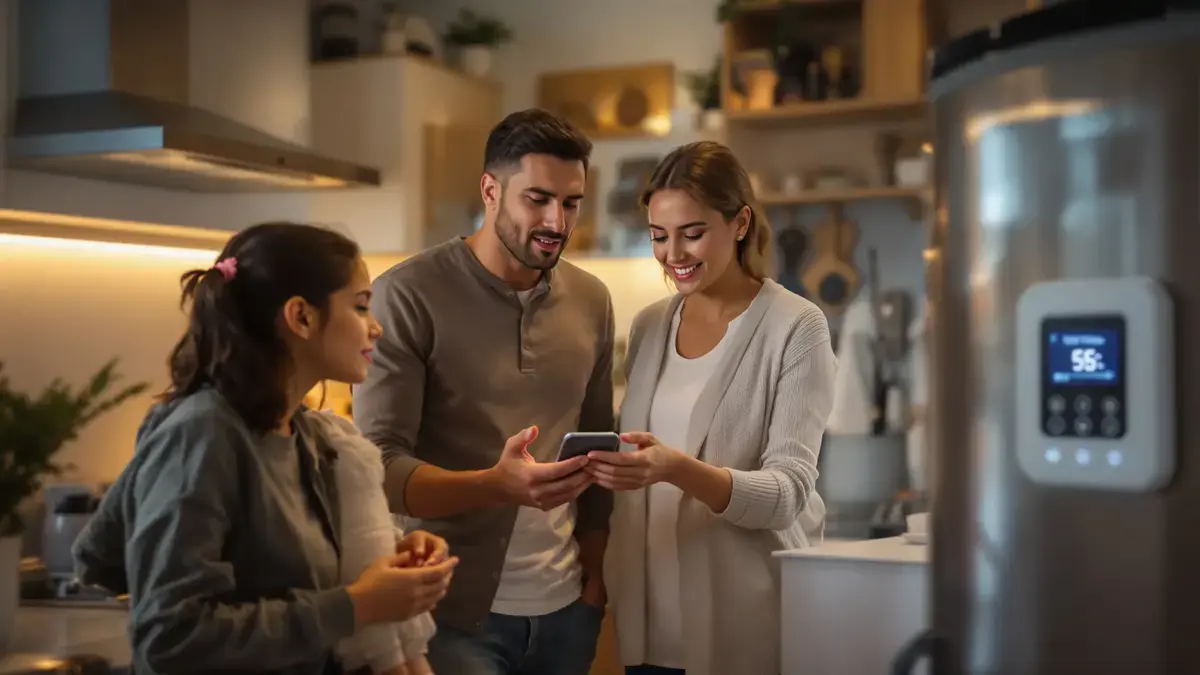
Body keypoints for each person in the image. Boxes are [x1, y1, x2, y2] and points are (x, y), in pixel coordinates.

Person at [72, 222, 459, 675]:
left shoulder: (307, 436)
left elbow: (101, 555)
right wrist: (354, 606)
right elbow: (168, 636)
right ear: (301, 317)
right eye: (360, 307)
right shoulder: (202, 434)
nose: (376, 328)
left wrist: (391, 559)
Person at [353, 108, 615, 675]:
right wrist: (495, 486)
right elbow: (377, 468)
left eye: (571, 203)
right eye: (538, 199)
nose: (557, 221)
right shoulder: (405, 295)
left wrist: (594, 579)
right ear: (490, 190)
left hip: (567, 611)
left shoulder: (592, 299)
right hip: (451, 615)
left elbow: (598, 451)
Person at [588, 141, 836, 675]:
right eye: (659, 237)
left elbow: (788, 493)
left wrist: (676, 468)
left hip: (739, 628)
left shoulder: (796, 327)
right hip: (642, 627)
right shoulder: (651, 325)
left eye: (692, 233)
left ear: (740, 222)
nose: (672, 255)